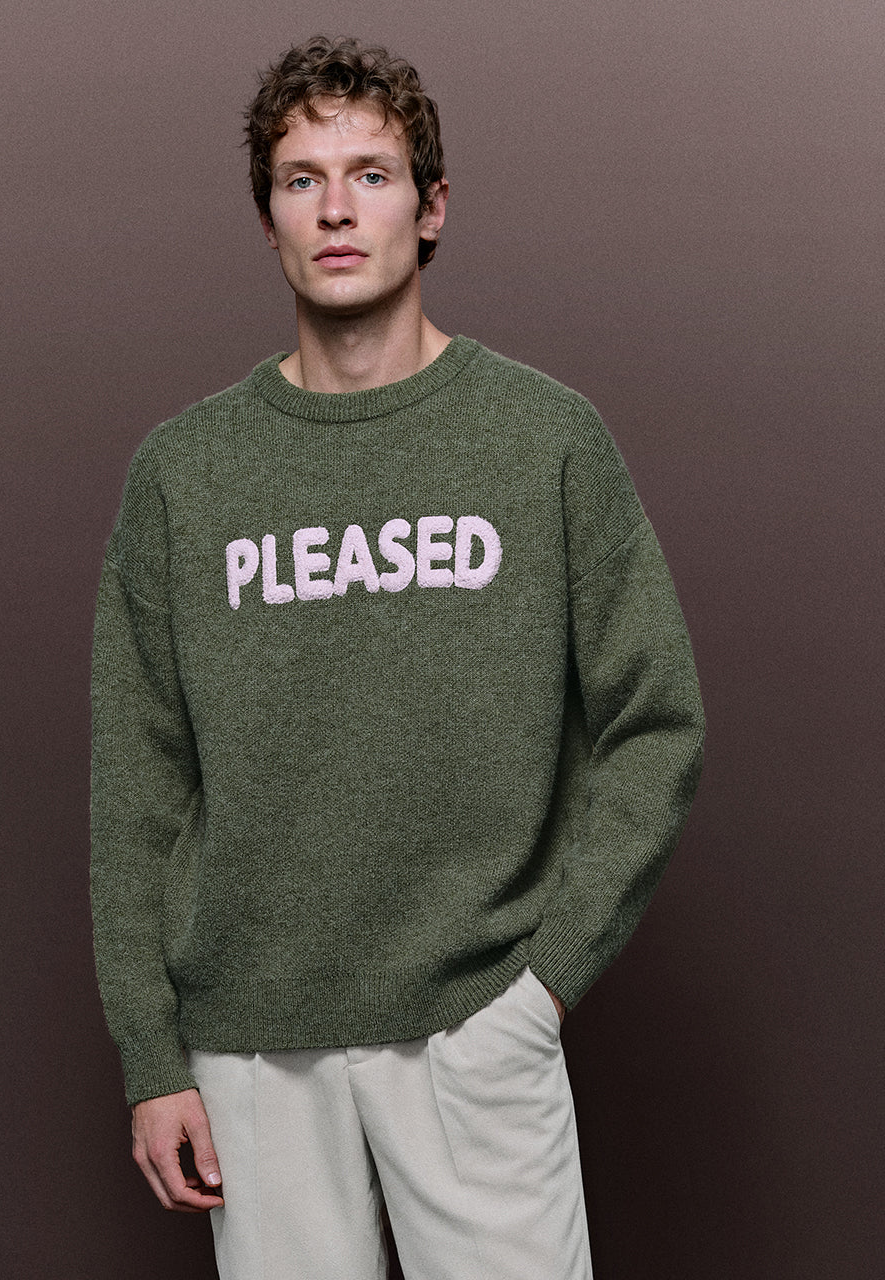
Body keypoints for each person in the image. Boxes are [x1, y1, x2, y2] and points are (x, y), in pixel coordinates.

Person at [91, 34, 705, 1280]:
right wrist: (151, 1055)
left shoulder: (543, 439)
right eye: (300, 178)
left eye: (369, 174)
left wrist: (541, 987)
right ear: (268, 216)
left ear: (431, 208)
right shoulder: (183, 474)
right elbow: (136, 782)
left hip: (474, 1026)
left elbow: (657, 724)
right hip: (249, 1045)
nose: (334, 208)